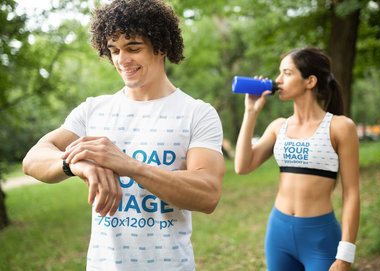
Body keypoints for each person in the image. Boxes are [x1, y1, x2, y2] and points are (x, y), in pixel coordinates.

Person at [22, 0, 225, 270]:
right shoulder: (93, 109)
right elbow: (33, 159)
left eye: (133, 48)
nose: (121, 59)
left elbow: (208, 194)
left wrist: (129, 165)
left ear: (161, 46)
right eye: (114, 50)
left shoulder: (197, 113)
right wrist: (75, 165)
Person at [234, 47, 360, 271]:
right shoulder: (278, 127)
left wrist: (345, 256)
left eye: (287, 73)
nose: (278, 80)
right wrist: (250, 112)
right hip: (278, 234)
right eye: (279, 73)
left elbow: (351, 193)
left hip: (320, 238)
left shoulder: (340, 127)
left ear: (310, 81)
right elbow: (242, 166)